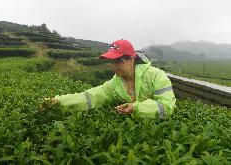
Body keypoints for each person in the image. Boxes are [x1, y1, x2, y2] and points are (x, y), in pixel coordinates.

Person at [39, 39, 176, 119]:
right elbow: (90, 97)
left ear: (131, 59)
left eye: (118, 61)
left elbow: (167, 106)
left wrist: (135, 108)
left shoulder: (156, 76)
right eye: (111, 62)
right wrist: (59, 101)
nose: (113, 66)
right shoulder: (115, 82)